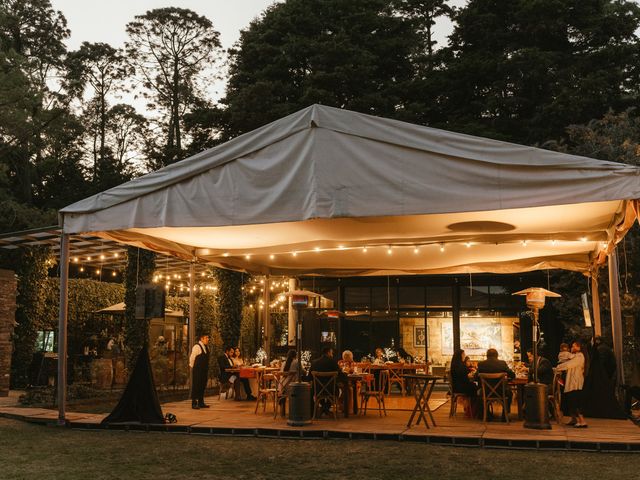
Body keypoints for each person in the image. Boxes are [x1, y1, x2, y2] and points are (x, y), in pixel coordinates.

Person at [555, 340, 588, 428]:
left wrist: (558, 367)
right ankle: (574, 419)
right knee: (571, 401)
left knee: (575, 401)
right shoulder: (575, 356)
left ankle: (582, 421)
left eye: (574, 346)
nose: (572, 348)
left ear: (579, 347)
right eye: (572, 346)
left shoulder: (580, 356)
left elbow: (569, 365)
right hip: (572, 382)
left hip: (575, 383)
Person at [475, 348, 515, 417]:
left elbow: (475, 377)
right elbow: (512, 375)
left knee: (478, 392)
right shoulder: (502, 363)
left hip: (486, 392)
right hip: (501, 391)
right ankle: (505, 415)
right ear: (497, 355)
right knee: (510, 393)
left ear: (487, 356)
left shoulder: (481, 364)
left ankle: (486, 414)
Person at [309, 347, 346, 415]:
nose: (332, 355)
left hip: (317, 389)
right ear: (328, 353)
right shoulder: (333, 362)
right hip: (331, 389)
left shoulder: (314, 362)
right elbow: (340, 375)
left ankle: (323, 408)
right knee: (338, 391)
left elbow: (309, 377)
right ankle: (325, 408)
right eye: (332, 353)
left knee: (314, 391)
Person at [189, 334, 210, 409]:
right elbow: (192, 358)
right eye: (206, 337)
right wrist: (193, 368)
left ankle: (201, 402)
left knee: (202, 385)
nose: (208, 339)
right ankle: (194, 403)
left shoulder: (206, 347)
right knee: (196, 385)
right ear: (201, 338)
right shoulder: (197, 347)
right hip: (198, 370)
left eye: (208, 338)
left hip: (204, 370)